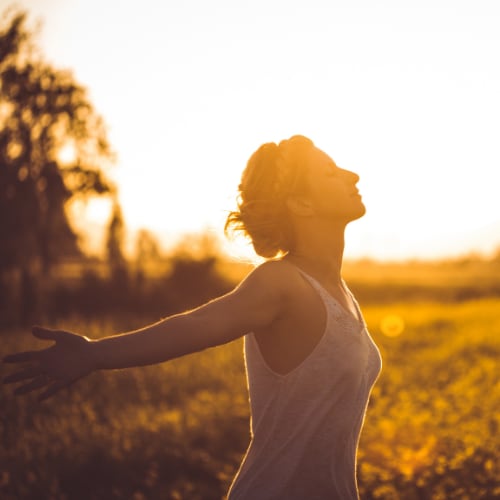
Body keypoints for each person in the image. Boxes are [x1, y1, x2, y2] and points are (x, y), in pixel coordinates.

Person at [3, 135, 382, 500]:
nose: (353, 176)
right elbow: (194, 326)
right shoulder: (281, 283)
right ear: (301, 204)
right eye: (331, 173)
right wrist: (93, 353)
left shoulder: (340, 291)